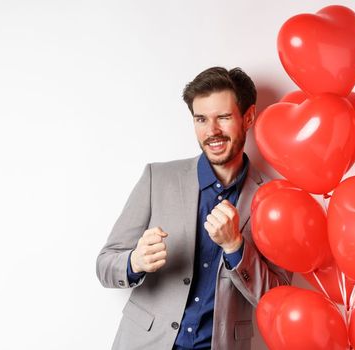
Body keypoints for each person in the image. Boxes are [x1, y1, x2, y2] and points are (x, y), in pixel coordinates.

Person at [96, 67, 292, 350]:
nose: (211, 132)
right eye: (201, 119)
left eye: (223, 118)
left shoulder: (274, 199)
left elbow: (278, 300)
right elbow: (105, 264)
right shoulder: (156, 178)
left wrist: (236, 247)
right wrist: (133, 262)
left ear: (248, 117)